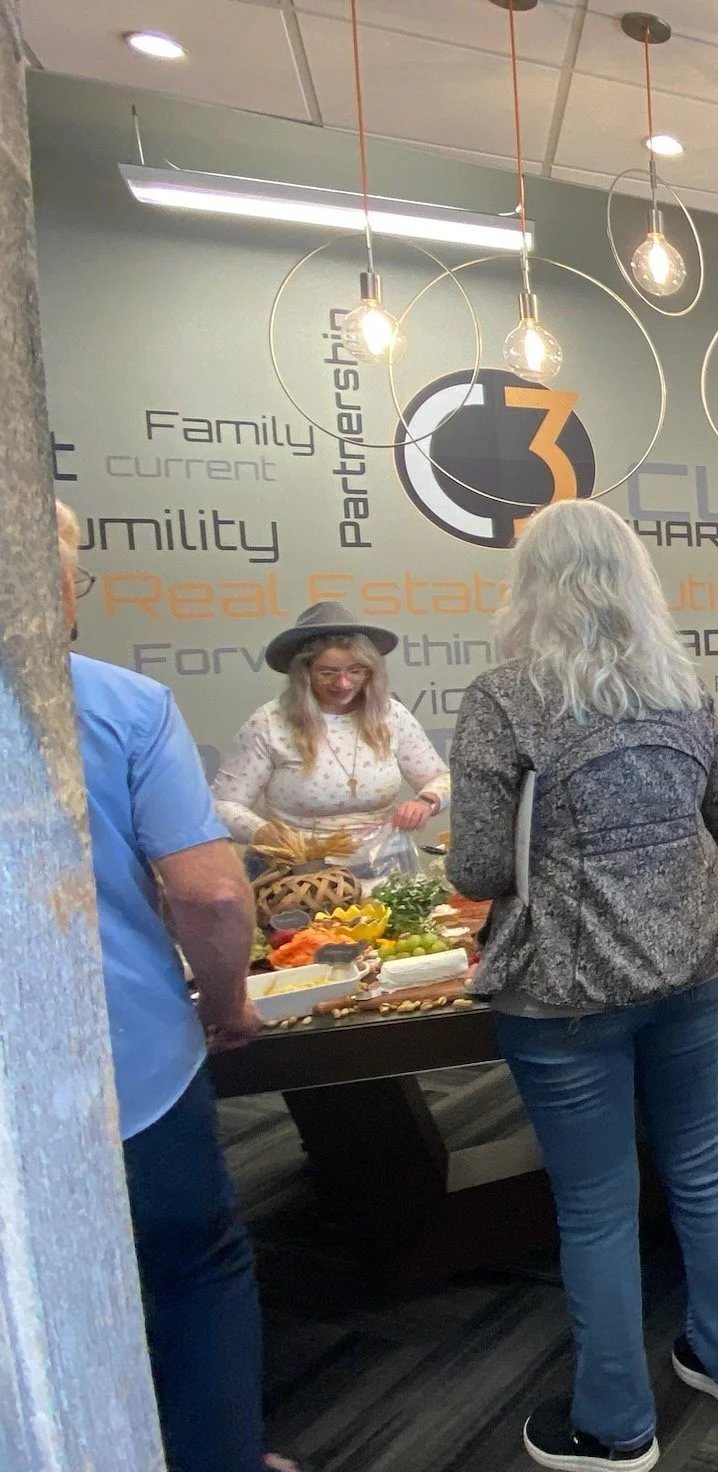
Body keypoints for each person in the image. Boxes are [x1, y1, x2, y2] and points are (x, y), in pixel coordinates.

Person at [446, 499, 718, 1472]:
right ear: (636, 581)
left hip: (567, 985)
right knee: (702, 1160)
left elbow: (476, 869)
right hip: (696, 963)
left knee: (596, 1205)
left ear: (530, 586)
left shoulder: (504, 698)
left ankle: (617, 1428)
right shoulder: (682, 688)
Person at [55, 501, 286, 1471]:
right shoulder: (121, 704)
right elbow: (212, 892)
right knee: (194, 1268)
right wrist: (227, 1004)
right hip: (130, 1060)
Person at [212, 602, 450, 855]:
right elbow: (223, 804)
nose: (344, 683)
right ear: (304, 674)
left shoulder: (390, 715)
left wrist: (426, 802)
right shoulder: (269, 722)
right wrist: (264, 833)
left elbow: (441, 779)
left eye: (355, 671)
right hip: (300, 865)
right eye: (328, 673)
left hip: (385, 863)